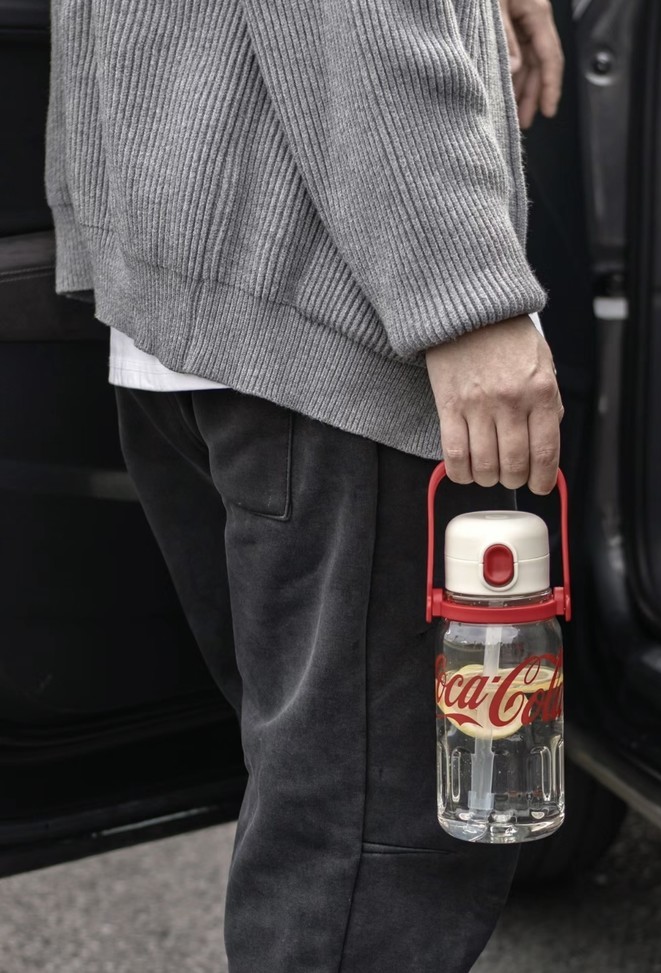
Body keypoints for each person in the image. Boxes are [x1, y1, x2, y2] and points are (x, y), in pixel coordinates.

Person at [45, 1, 564, 970]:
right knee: (364, 857)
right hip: (333, 344)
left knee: (321, 812)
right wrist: (467, 300)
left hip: (204, 313)